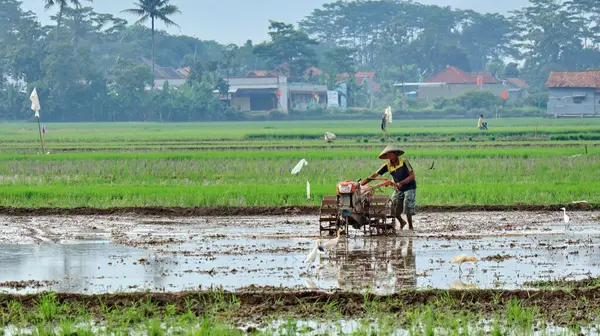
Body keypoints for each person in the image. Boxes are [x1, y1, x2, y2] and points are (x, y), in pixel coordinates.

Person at [361, 145, 417, 230]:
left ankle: (410, 226)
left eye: (391, 154)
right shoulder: (387, 165)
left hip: (409, 187)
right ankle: (402, 222)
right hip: (398, 188)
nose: (389, 156)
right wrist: (362, 183)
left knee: (407, 206)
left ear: (396, 154)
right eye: (388, 155)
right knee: (392, 206)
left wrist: (400, 183)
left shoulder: (404, 162)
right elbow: (375, 175)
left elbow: (412, 176)